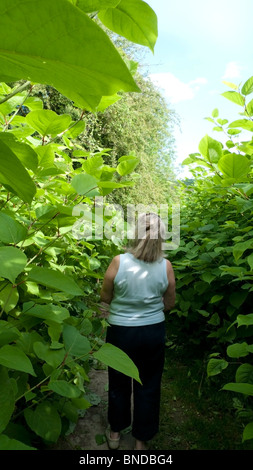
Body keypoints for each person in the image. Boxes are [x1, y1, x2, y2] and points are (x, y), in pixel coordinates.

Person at [100, 212, 176, 450]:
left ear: (135, 234)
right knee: (149, 384)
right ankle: (141, 440)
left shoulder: (119, 261)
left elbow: (105, 296)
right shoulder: (166, 266)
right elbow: (170, 303)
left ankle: (115, 433)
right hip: (152, 332)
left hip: (121, 332)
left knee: (118, 382)